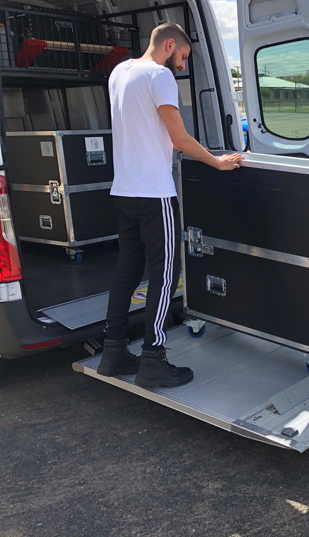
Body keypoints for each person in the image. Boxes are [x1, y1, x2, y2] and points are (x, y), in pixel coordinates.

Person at [97, 23, 244, 387]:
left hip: (124, 190)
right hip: (154, 193)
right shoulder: (159, 76)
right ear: (169, 45)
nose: (182, 64)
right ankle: (153, 359)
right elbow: (179, 139)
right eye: (183, 56)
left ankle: (113, 352)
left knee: (127, 271)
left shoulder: (120, 72)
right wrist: (217, 162)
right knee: (165, 276)